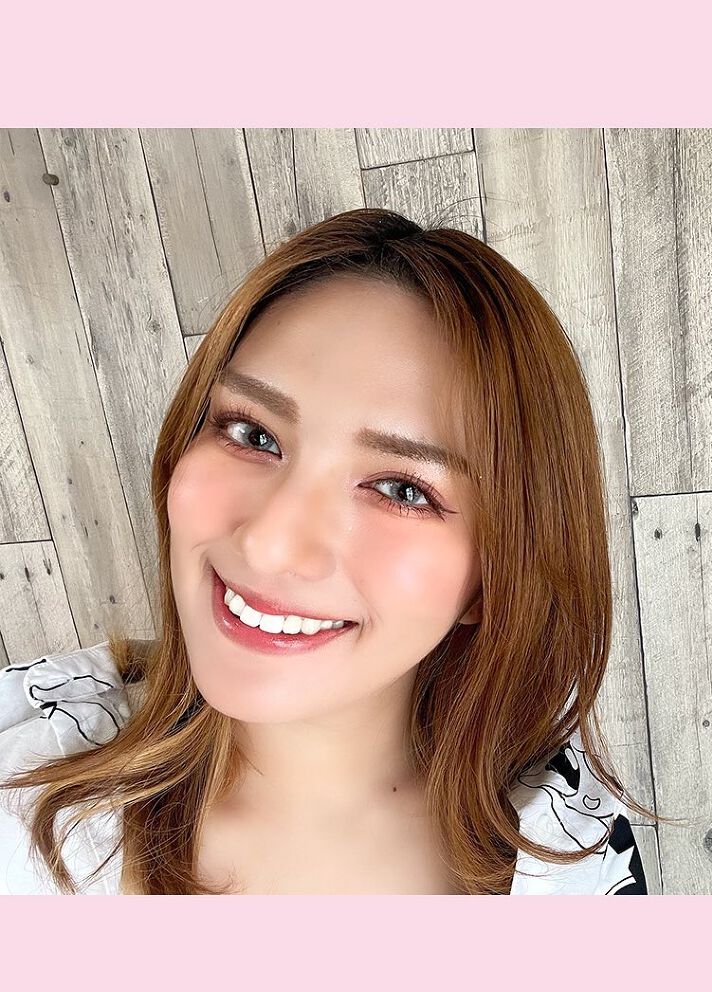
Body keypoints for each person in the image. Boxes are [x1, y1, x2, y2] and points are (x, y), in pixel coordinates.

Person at [0, 208, 657, 895]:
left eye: (402, 489)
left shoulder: (575, 858)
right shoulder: (22, 773)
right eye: (251, 434)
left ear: (495, 575)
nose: (269, 544)